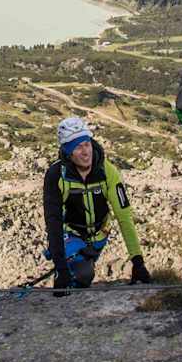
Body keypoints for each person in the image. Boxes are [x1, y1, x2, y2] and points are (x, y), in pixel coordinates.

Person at [43, 116, 152, 293]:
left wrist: (137, 261)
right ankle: (69, 271)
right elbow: (53, 221)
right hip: (70, 233)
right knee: (82, 275)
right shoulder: (56, 175)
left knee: (83, 273)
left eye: (87, 144)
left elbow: (124, 216)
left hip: (99, 235)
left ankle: (77, 268)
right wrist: (61, 268)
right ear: (68, 152)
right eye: (78, 147)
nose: (86, 152)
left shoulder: (107, 171)